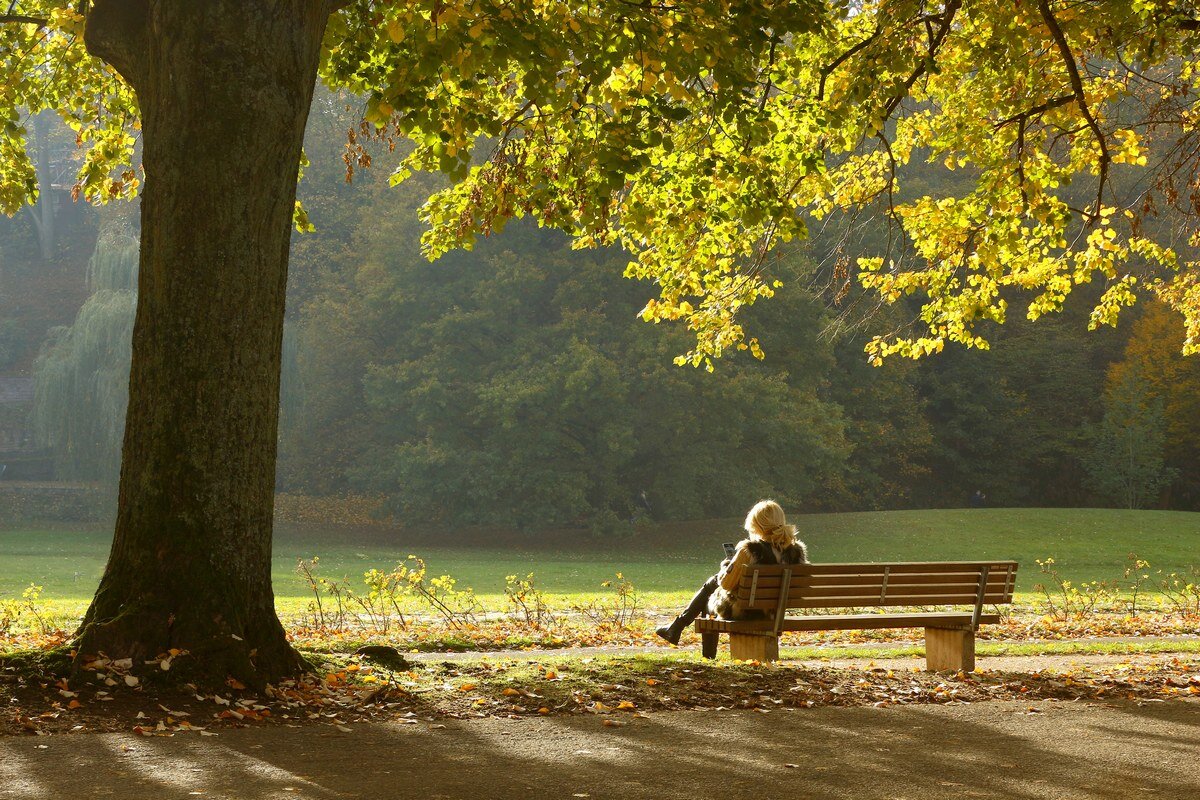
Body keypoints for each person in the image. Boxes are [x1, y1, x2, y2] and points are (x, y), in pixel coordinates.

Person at [655, 499, 808, 645]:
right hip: (774, 614)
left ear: (757, 524)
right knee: (712, 583)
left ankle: (681, 633)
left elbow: (726, 584)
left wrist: (726, 566)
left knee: (711, 589)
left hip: (744, 612)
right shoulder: (796, 551)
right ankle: (675, 628)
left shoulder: (750, 549)